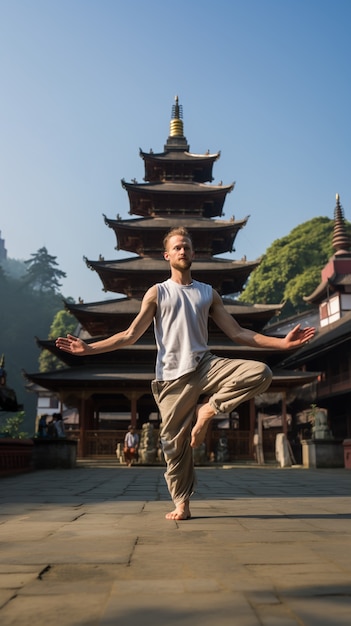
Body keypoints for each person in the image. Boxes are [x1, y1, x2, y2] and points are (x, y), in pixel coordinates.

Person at [56, 227, 315, 521]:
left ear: (193, 254)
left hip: (205, 364)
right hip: (171, 378)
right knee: (173, 445)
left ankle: (208, 410)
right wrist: (88, 349)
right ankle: (182, 502)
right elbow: (129, 335)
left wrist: (282, 343)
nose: (183, 251)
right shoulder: (158, 292)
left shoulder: (208, 293)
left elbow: (239, 333)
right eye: (178, 247)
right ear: (167, 255)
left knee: (261, 373)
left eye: (187, 248)